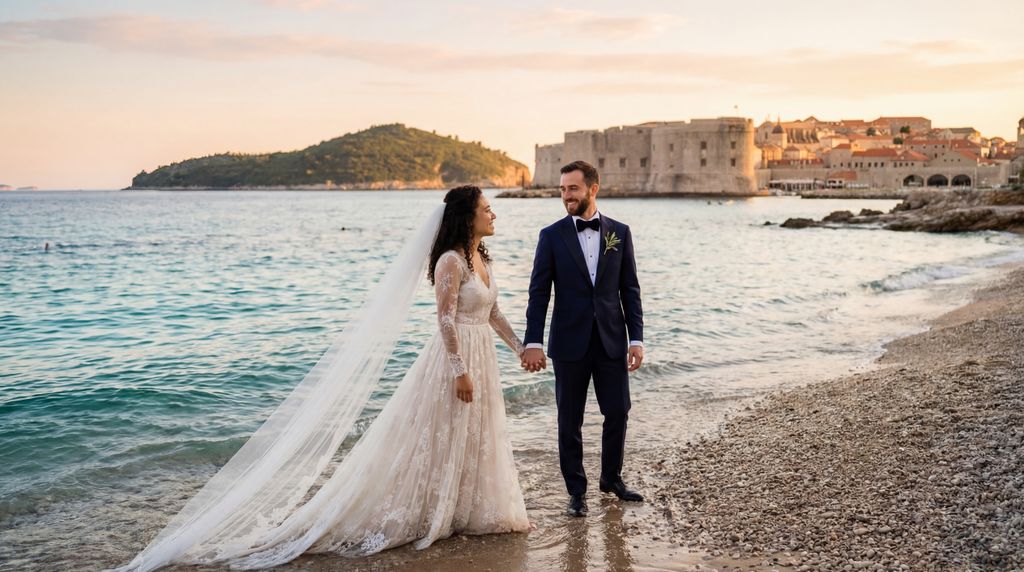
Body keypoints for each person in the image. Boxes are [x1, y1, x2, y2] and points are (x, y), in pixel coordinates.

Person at [112, 186, 528, 571]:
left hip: (484, 359)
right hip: (454, 364)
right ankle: (427, 513)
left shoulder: (483, 259)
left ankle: (463, 510)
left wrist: (520, 347)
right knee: (438, 436)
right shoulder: (450, 261)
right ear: (466, 217)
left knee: (475, 434)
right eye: (486, 208)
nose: (493, 213)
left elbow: (490, 313)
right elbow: (445, 321)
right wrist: (460, 370)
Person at [521, 160, 645, 518]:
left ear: (593, 188)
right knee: (569, 420)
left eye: (572, 189)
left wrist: (636, 338)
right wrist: (534, 341)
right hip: (569, 342)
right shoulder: (551, 235)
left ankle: (611, 479)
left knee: (618, 411)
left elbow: (630, 290)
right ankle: (576, 491)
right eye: (562, 190)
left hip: (611, 340)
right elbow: (539, 293)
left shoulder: (620, 232)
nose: (566, 196)